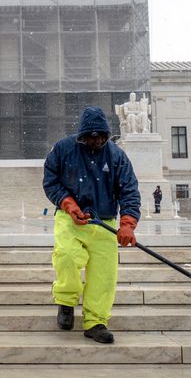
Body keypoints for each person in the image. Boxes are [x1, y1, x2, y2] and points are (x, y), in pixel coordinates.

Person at [43, 105, 141, 344]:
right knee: (66, 256)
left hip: (104, 221)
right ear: (82, 134)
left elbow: (129, 190)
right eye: (91, 136)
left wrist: (127, 223)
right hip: (71, 218)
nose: (96, 140)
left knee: (104, 275)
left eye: (100, 136)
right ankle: (66, 301)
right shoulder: (64, 149)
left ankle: (96, 321)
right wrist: (68, 203)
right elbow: (51, 180)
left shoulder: (117, 156)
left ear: (106, 134)